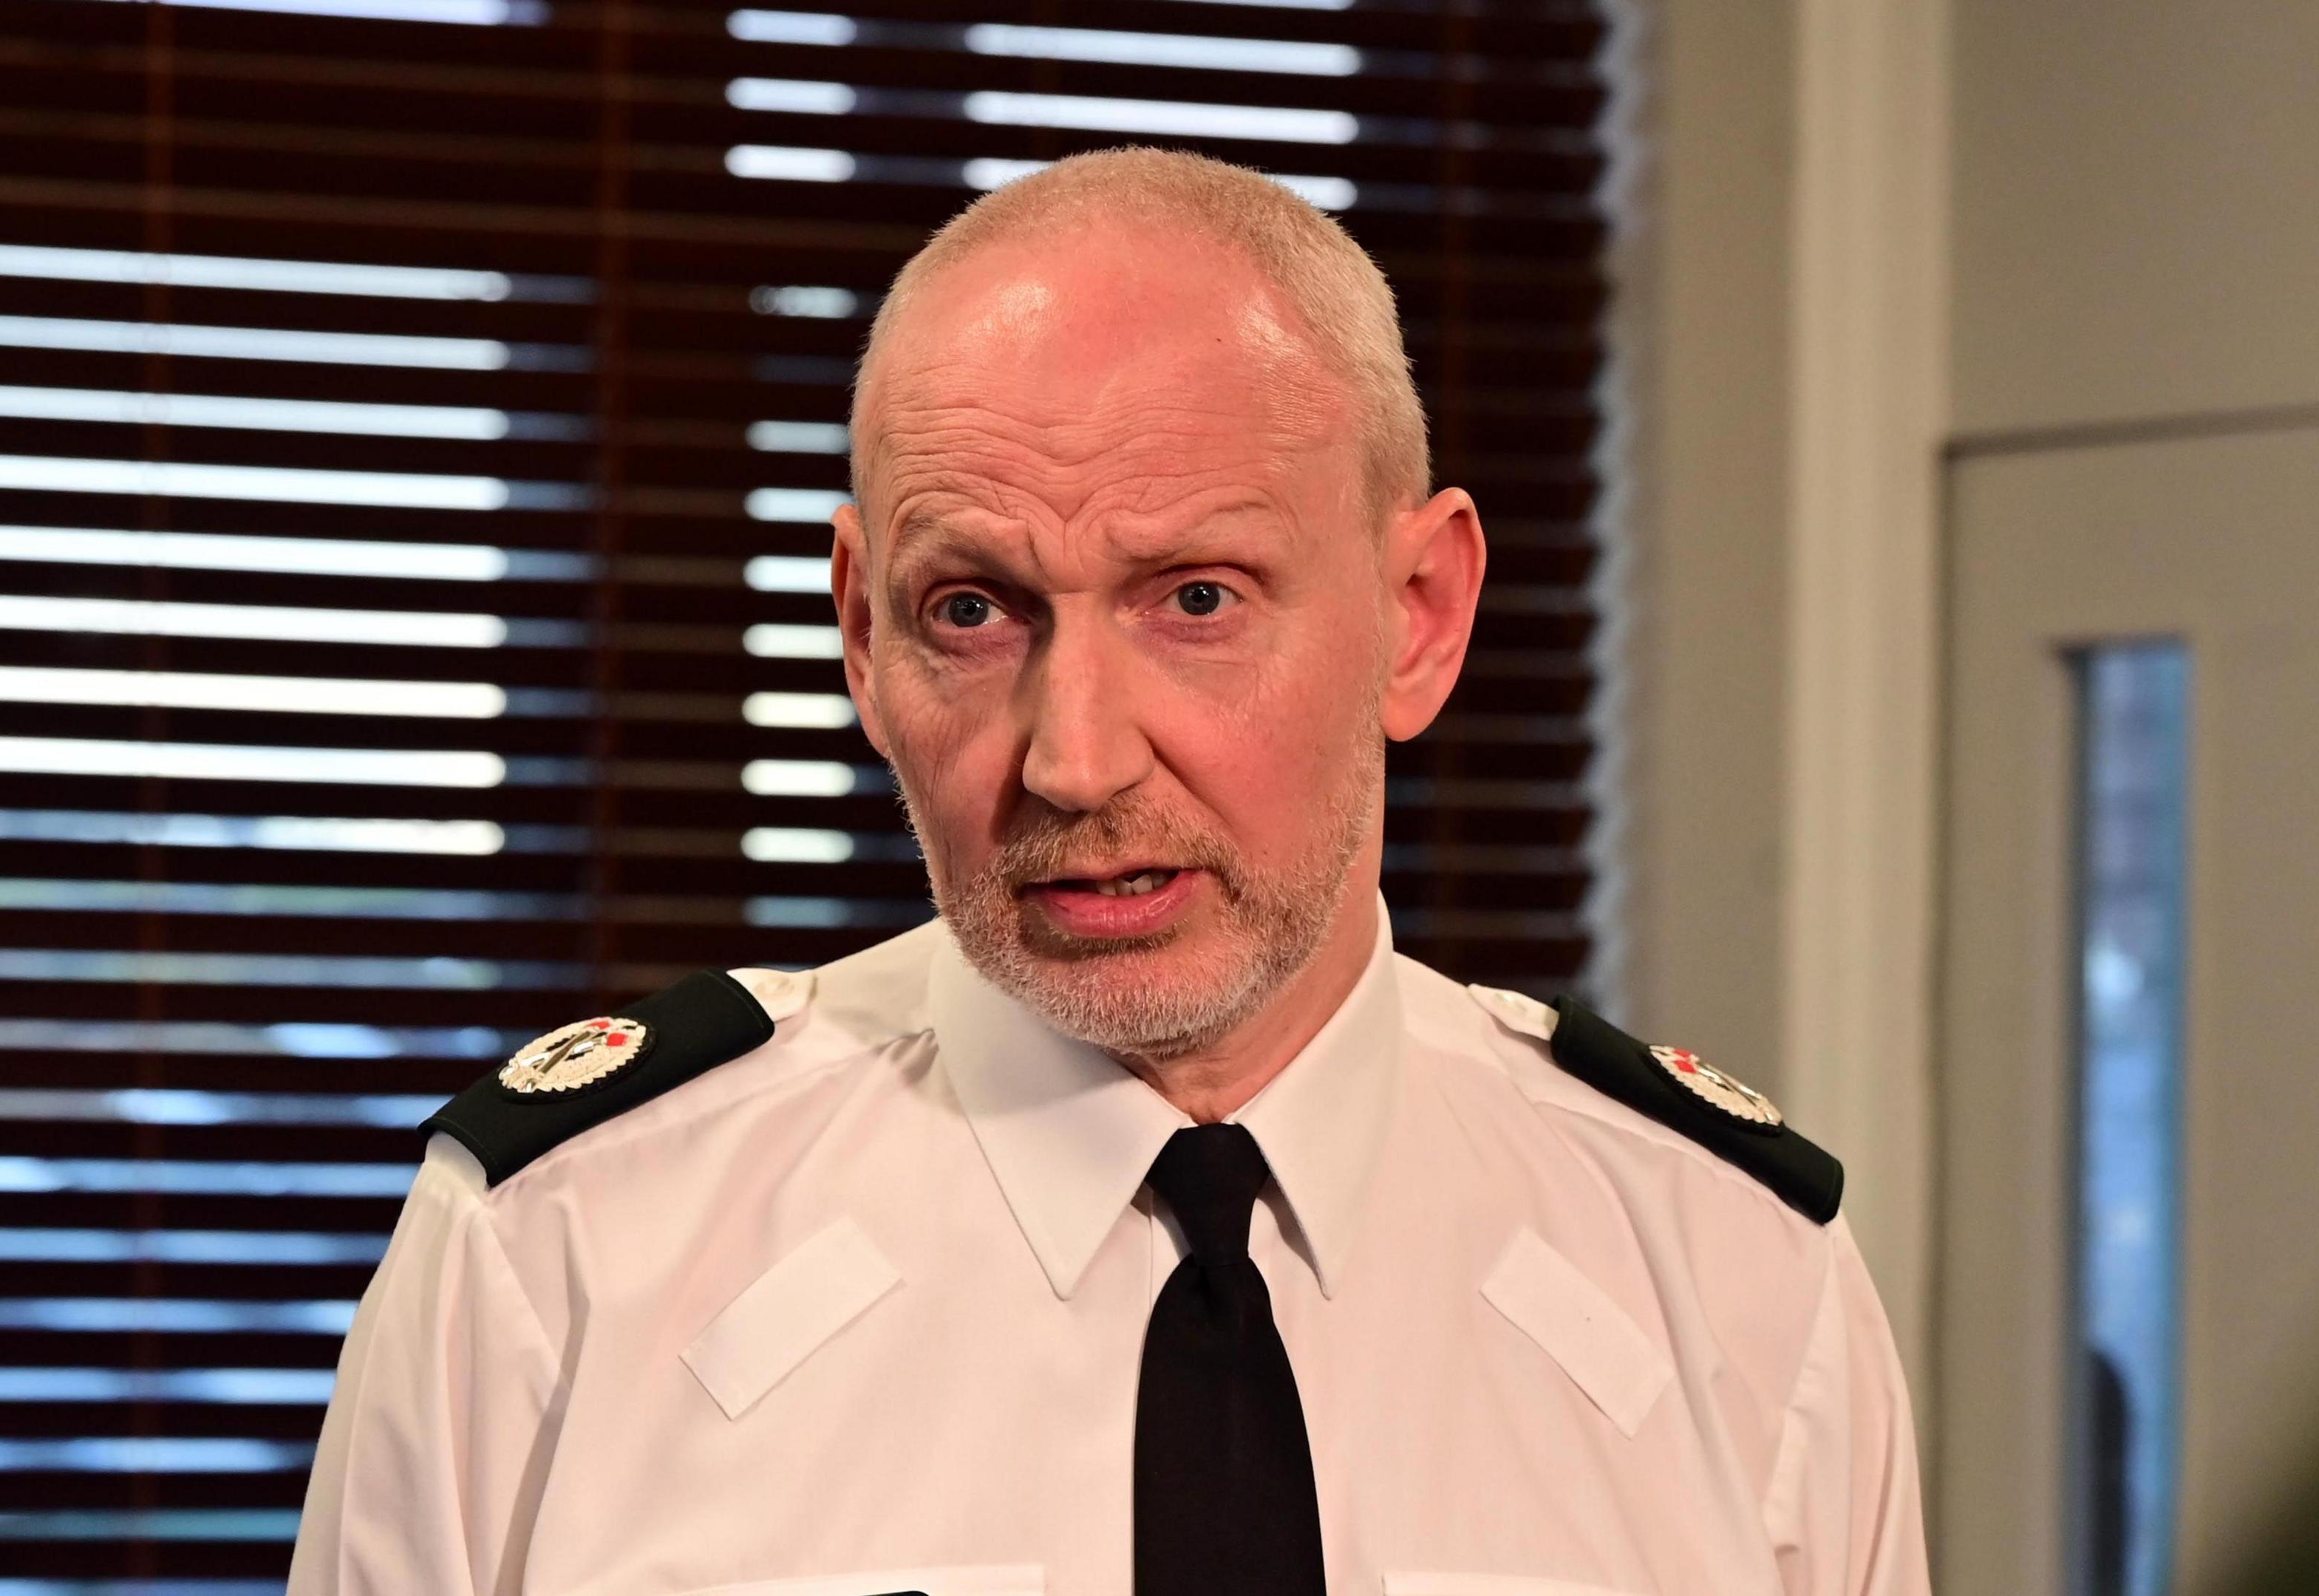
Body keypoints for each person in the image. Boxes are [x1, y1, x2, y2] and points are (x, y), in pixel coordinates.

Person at [289, 146, 1929, 1596]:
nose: (1074, 759)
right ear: (860, 633)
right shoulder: (565, 1253)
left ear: (1419, 614)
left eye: (1197, 600)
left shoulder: (1734, 1281)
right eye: (973, 610)